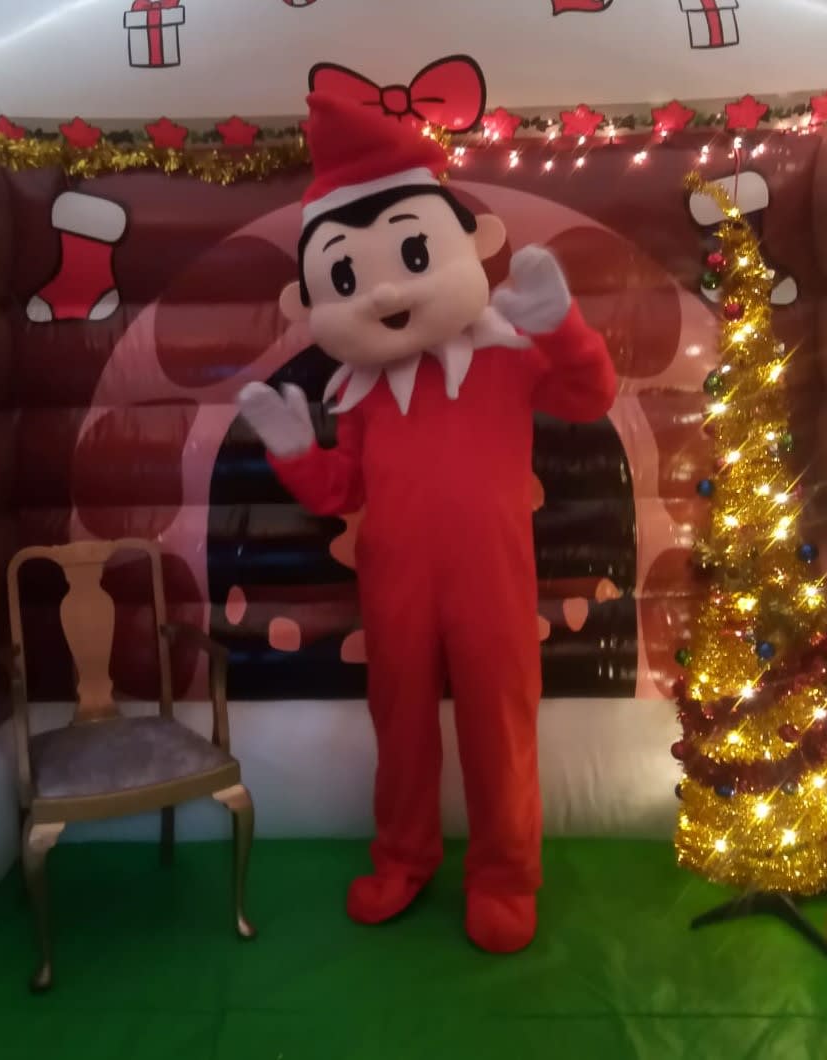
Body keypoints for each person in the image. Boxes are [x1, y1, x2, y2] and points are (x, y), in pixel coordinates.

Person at [237, 91, 617, 953]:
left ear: (461, 243)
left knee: (498, 730)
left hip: (493, 584)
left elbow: (589, 395)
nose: (381, 291)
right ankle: (404, 858)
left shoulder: (505, 355)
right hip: (395, 585)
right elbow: (341, 492)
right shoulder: (362, 390)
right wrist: (295, 451)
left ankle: (505, 875)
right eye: (345, 276)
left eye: (411, 253)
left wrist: (561, 328)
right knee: (400, 730)